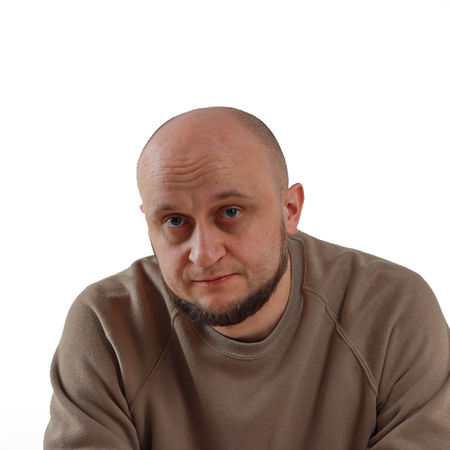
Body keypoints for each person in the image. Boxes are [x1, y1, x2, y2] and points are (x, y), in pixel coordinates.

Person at [44, 107, 450, 449]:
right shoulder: (108, 325)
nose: (204, 253)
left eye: (230, 212)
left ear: (290, 210)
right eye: (174, 221)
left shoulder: (393, 311)